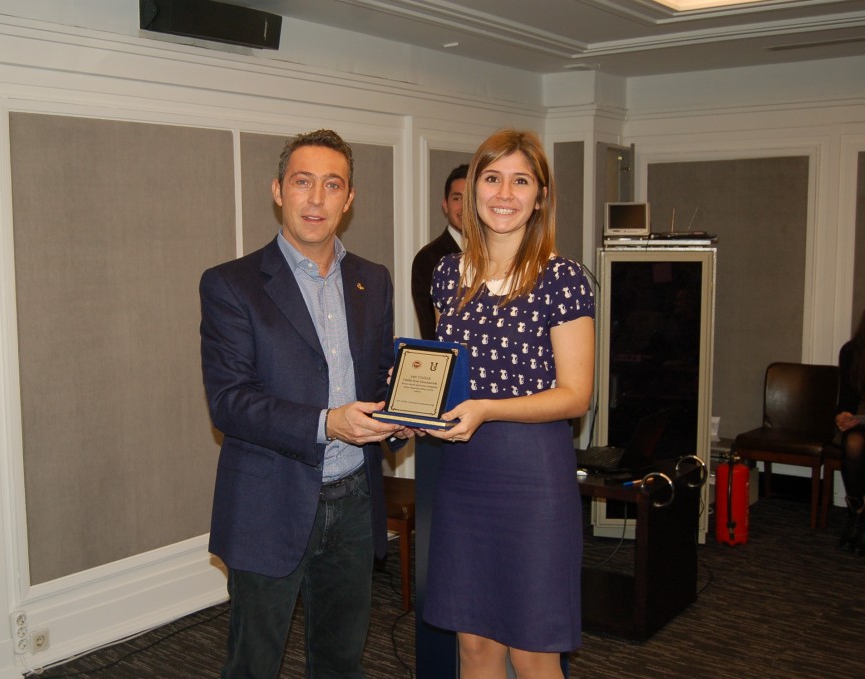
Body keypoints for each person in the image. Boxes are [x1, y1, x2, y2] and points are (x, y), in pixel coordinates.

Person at [199, 129, 410, 679]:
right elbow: (229, 402)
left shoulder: (372, 280)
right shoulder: (231, 285)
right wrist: (327, 423)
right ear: (278, 190)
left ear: (349, 198)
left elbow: (377, 378)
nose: (317, 199)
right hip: (269, 503)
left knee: (341, 662)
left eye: (332, 185)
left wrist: (400, 416)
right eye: (302, 182)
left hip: (355, 502)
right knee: (253, 665)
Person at [423, 129, 595, 679]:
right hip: (463, 475)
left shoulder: (562, 279)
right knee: (475, 645)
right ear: (473, 189)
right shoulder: (446, 274)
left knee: (533, 650)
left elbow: (576, 395)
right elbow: (446, 374)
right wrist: (414, 411)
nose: (504, 193)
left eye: (521, 181)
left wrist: (488, 408)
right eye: (492, 178)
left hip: (532, 478)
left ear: (540, 196)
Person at [411, 164, 468, 340]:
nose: (465, 207)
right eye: (457, 198)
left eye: (471, 198)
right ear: (445, 204)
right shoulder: (428, 259)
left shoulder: (497, 256)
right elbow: (430, 333)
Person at [837, 307, 865, 554]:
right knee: (853, 444)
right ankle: (857, 510)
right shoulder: (851, 352)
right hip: (861, 424)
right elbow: (845, 400)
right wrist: (843, 416)